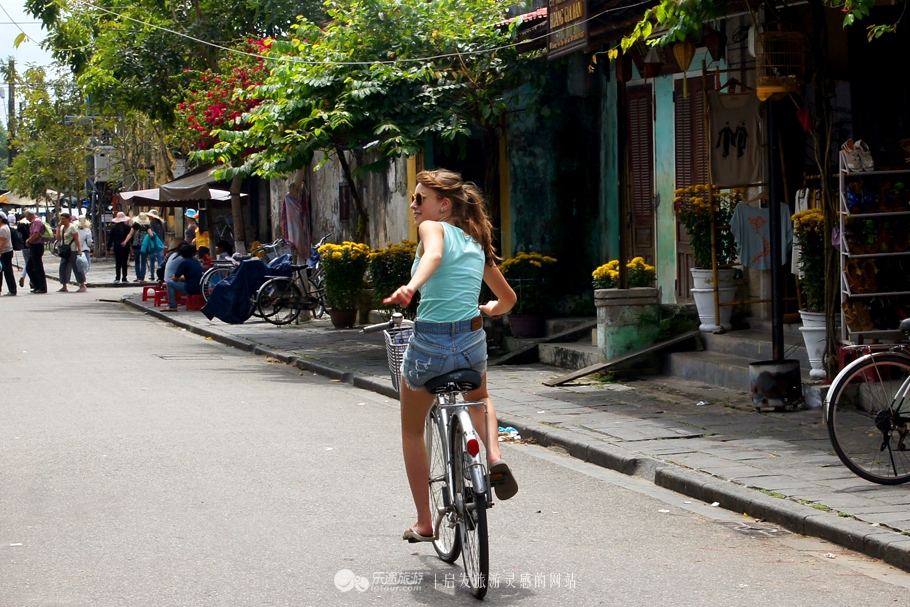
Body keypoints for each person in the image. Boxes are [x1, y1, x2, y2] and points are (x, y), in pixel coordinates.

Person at [383, 169, 519, 543]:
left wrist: (411, 287)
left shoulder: (433, 228)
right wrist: (490, 308)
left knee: (412, 430)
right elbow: (508, 300)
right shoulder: (478, 245)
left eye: (419, 198)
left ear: (443, 206)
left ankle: (425, 522)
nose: (414, 205)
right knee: (481, 397)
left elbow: (435, 255)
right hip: (472, 342)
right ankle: (492, 457)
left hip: (430, 345)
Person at [162, 243, 203, 311]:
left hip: (190, 288)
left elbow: (175, 278)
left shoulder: (184, 263)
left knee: (169, 283)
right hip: (200, 287)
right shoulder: (196, 262)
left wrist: (176, 279)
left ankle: (172, 306)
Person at [56, 212, 87, 293]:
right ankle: (64, 285)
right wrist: (59, 228)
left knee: (76, 267)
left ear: (68, 219)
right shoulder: (62, 227)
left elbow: (77, 239)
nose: (62, 220)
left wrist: (79, 249)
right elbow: (58, 238)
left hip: (73, 249)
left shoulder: (72, 227)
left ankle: (82, 284)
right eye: (61, 219)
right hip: (65, 249)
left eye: (63, 219)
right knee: (63, 267)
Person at [122, 212, 153, 282]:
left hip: (135, 246)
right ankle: (142, 278)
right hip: (144, 246)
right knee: (143, 261)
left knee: (137, 262)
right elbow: (151, 235)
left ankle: (138, 276)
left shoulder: (135, 225)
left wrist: (125, 241)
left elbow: (130, 234)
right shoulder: (147, 226)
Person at [23, 209, 48, 294]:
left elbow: (36, 234)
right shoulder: (33, 222)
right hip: (33, 246)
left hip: (37, 245)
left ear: (30, 215)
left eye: (26, 217)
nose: (26, 219)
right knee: (29, 267)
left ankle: (42, 287)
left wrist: (28, 241)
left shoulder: (37, 221)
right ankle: (36, 285)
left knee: (38, 267)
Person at [107, 212, 132, 282]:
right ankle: (124, 277)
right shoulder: (128, 228)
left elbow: (110, 239)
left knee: (118, 262)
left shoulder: (114, 228)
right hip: (125, 246)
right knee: (125, 262)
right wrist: (132, 246)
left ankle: (117, 277)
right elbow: (131, 238)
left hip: (117, 247)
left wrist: (108, 248)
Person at [0, 211, 16, 296]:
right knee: (3, 271)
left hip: (5, 252)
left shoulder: (3, 229)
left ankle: (12, 289)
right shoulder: (4, 227)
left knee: (7, 271)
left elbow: (2, 242)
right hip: (6, 251)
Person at [147, 209, 165, 278]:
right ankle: (161, 275)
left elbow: (151, 235)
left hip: (153, 244)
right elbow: (163, 234)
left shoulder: (151, 224)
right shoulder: (161, 224)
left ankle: (152, 275)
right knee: (160, 259)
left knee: (152, 260)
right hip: (160, 244)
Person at [16, 217, 31, 290]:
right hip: (31, 245)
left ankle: (23, 276)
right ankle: (31, 280)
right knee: (31, 264)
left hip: (23, 246)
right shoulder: (30, 225)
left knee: (27, 263)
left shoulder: (20, 226)